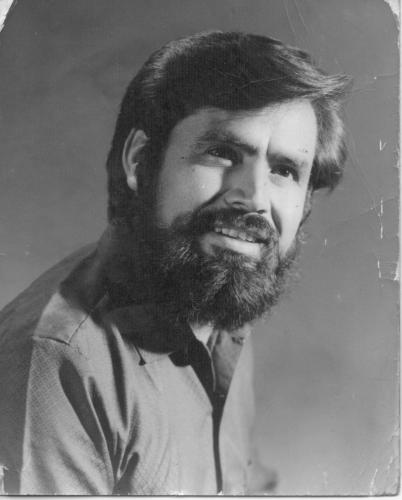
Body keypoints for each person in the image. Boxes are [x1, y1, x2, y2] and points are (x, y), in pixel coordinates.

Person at [0, 31, 351, 495]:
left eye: (284, 170)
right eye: (222, 152)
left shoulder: (217, 301)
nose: (254, 198)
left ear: (305, 202)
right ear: (139, 160)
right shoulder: (57, 361)